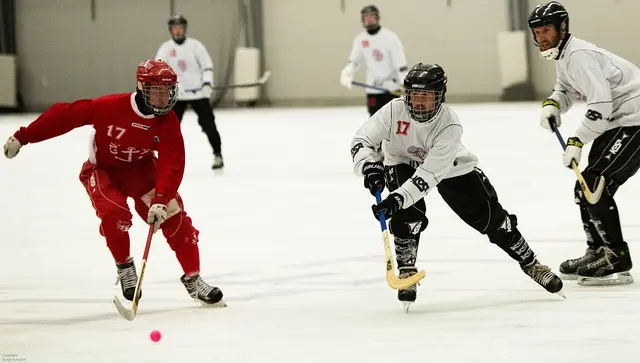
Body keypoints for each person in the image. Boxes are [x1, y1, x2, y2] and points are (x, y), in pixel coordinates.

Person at [2, 59, 224, 306]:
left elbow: (171, 163)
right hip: (104, 171)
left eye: (167, 91)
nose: (163, 99)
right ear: (141, 88)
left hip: (142, 173)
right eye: (156, 92)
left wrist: (161, 199)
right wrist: (25, 136)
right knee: (114, 213)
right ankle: (125, 266)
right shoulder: (110, 106)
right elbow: (65, 116)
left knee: (175, 219)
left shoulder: (167, 121)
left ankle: (194, 279)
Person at [350, 63, 563, 309]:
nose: (419, 103)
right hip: (401, 161)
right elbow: (361, 140)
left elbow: (427, 176)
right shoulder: (392, 111)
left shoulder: (449, 125)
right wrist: (369, 167)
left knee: (493, 220)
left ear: (440, 97)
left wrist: (396, 199)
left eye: (427, 97)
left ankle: (531, 263)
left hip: (451, 168)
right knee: (407, 216)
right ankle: (407, 270)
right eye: (414, 96)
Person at [529, 1, 640, 286]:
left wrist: (577, 140)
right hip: (621, 121)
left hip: (634, 121)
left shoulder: (578, 55)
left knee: (594, 183)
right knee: (587, 186)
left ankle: (615, 256)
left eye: (546, 31)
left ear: (562, 29)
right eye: (537, 32)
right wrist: (554, 104)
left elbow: (600, 104)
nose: (541, 37)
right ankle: (598, 250)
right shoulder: (566, 55)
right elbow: (565, 87)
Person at [156, 14, 224, 170]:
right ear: (171, 30)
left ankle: (217, 154)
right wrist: (167, 88)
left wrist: (207, 82)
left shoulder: (195, 46)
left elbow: (206, 65)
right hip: (177, 95)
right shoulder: (165, 48)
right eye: (174, 28)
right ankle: (166, 159)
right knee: (169, 129)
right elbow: (159, 69)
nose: (177, 30)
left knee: (209, 125)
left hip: (198, 94)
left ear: (184, 29)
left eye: (180, 27)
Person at [340, 5, 408, 116]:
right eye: (366, 18)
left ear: (377, 18)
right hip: (372, 88)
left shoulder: (390, 37)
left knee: (392, 120)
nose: (369, 20)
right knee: (374, 120)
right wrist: (348, 71)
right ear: (362, 20)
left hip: (390, 88)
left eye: (372, 17)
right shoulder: (360, 39)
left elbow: (400, 63)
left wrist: (404, 82)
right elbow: (354, 61)